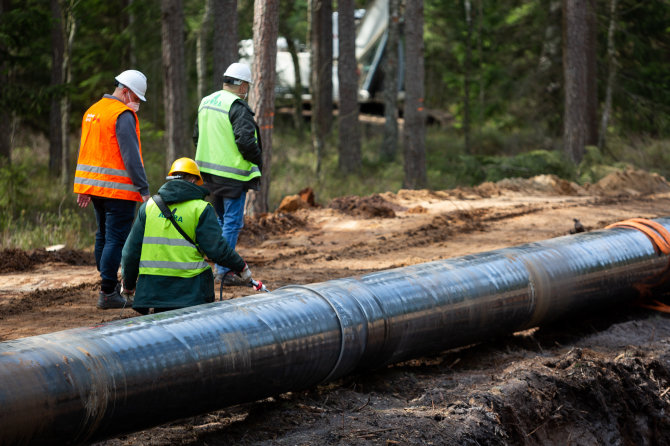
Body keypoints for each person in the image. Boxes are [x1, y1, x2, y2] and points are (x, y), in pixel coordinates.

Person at [120, 157, 253, 314]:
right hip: (191, 292)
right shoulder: (201, 209)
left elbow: (130, 252)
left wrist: (128, 285)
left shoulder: (149, 207)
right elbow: (217, 249)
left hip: (153, 291)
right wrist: (241, 267)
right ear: (192, 180)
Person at [73, 69, 150, 310]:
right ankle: (108, 291)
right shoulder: (122, 114)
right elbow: (131, 157)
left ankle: (107, 283)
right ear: (125, 92)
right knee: (115, 239)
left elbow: (87, 151)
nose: (137, 104)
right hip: (119, 191)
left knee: (103, 236)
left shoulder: (93, 111)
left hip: (95, 188)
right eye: (136, 98)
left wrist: (83, 186)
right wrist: (144, 190)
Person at [193, 62, 262, 286]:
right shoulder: (237, 106)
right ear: (241, 85)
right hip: (232, 175)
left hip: (208, 174)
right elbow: (245, 140)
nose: (247, 90)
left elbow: (197, 135)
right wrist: (257, 158)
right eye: (247, 85)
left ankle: (221, 267)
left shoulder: (206, 102)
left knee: (222, 221)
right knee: (232, 223)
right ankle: (224, 271)